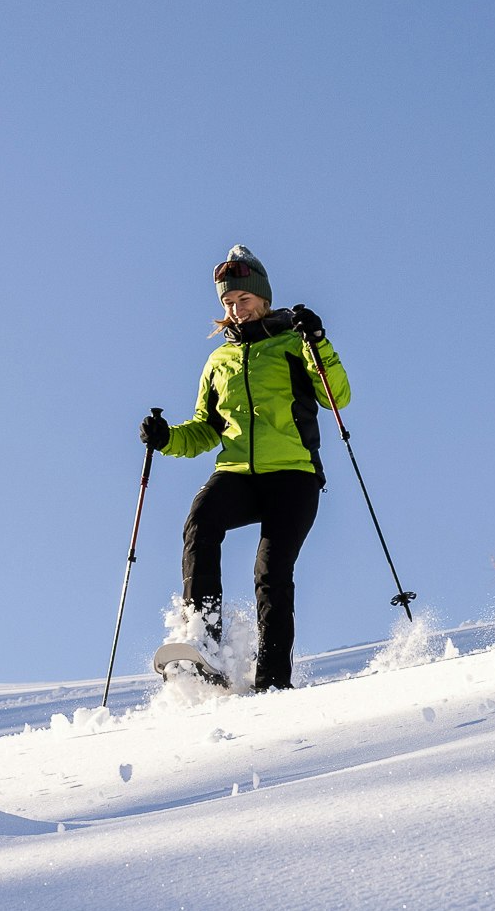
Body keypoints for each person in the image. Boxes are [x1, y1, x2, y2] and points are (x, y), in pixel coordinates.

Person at [137, 246, 351, 693]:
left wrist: (318, 342)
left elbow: (336, 398)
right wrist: (165, 438)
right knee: (201, 519)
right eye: (228, 303)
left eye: (243, 300)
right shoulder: (220, 361)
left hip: (293, 474)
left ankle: (272, 681)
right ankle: (204, 641)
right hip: (237, 472)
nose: (235, 309)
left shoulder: (295, 343)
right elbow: (204, 430)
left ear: (264, 299)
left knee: (270, 571)